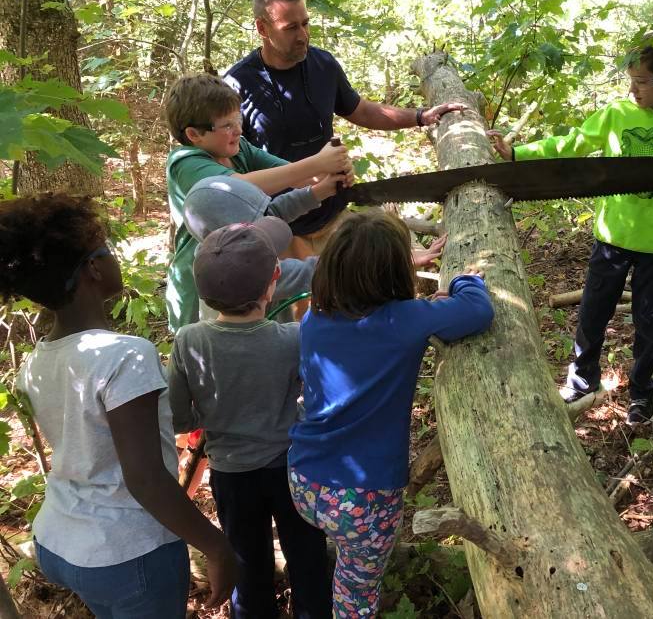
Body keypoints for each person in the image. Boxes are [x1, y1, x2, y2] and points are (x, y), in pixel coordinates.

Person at [1, 193, 237, 618]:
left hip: (59, 541)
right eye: (106, 249)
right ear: (92, 269)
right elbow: (145, 479)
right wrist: (216, 547)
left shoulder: (37, 361)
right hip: (127, 553)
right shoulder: (125, 355)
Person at [490, 38, 653, 426]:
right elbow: (575, 142)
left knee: (649, 323)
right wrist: (521, 154)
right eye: (631, 79)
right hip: (611, 238)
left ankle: (642, 393)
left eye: (642, 81)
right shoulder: (617, 113)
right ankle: (582, 383)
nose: (633, 89)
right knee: (593, 315)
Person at [287, 211, 494, 617]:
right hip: (365, 498)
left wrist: (425, 309)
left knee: (340, 563)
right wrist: (464, 281)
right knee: (357, 594)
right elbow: (477, 310)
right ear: (395, 272)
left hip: (304, 478)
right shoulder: (405, 320)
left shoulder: (314, 318)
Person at [223, 0, 465, 257]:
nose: (303, 35)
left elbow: (360, 110)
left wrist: (421, 117)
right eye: (291, 28)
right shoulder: (237, 85)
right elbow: (230, 172)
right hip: (277, 230)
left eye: (306, 24)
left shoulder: (323, 65)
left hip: (332, 217)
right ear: (262, 28)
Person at [167, 218, 331, 619]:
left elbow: (179, 418)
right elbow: (317, 399)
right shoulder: (293, 338)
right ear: (274, 280)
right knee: (308, 559)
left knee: (248, 567)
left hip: (232, 475)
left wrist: (212, 412)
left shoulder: (189, 340)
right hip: (291, 469)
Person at [164, 72, 354, 332]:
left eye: (238, 119)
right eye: (227, 125)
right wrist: (317, 164)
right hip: (204, 290)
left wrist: (329, 174)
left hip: (251, 271)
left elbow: (293, 174)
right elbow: (235, 186)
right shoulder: (185, 163)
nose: (238, 130)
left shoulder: (238, 148)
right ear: (194, 134)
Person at [182, 174, 447, 321]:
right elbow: (312, 271)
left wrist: (319, 191)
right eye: (258, 221)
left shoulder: (222, 248)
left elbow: (275, 210)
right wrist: (387, 259)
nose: (269, 219)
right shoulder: (242, 273)